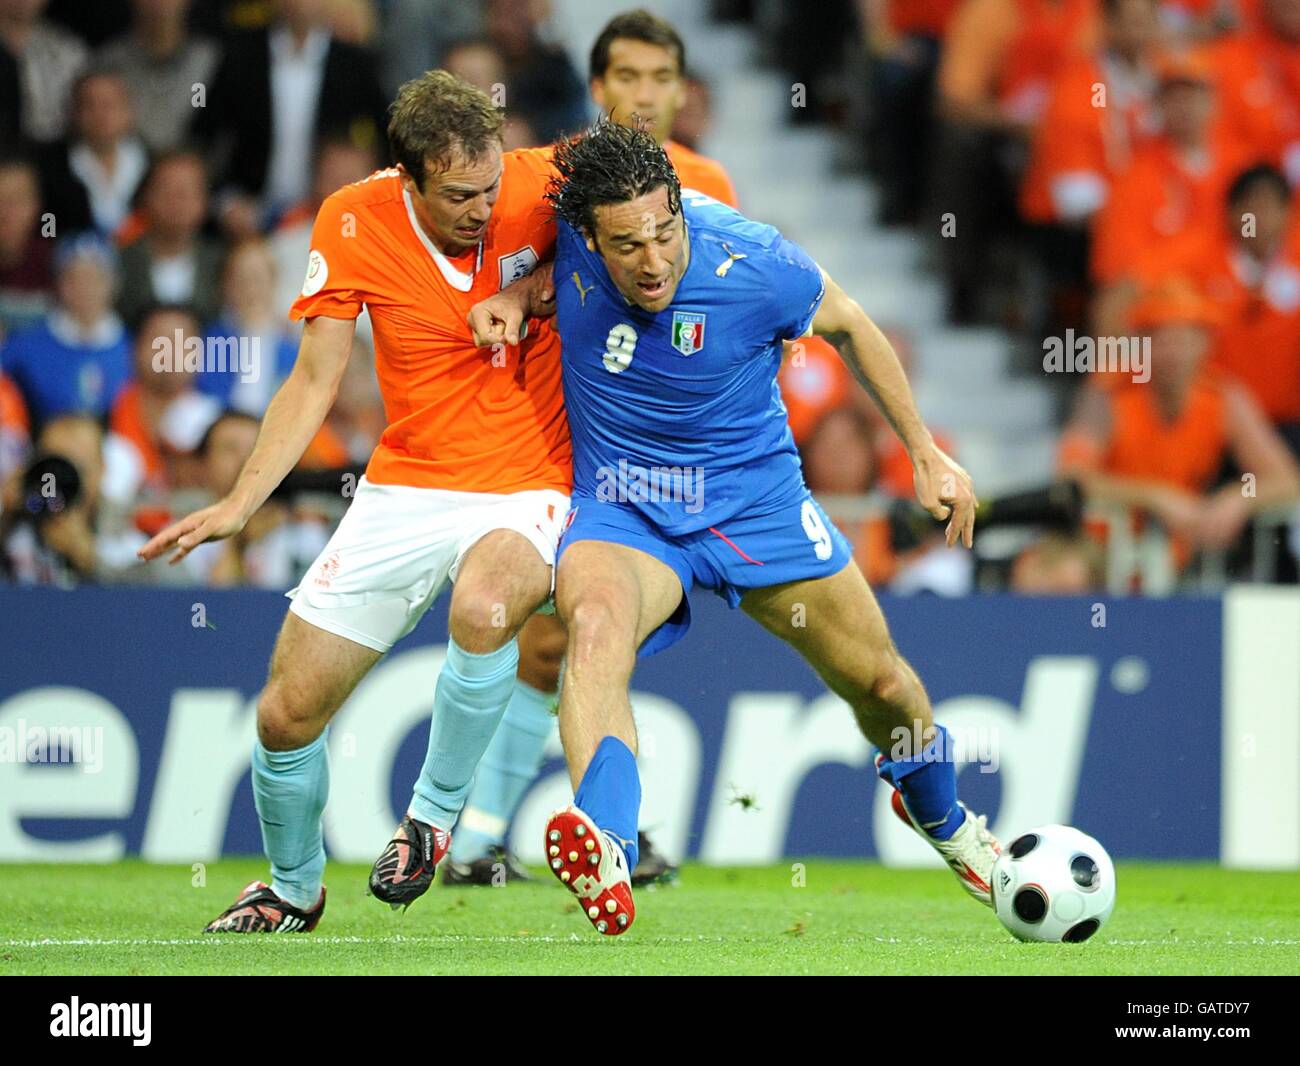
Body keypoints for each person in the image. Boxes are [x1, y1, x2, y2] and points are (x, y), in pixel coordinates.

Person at [467, 121, 999, 936]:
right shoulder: (568, 256)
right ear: (589, 239)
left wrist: (924, 453)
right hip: (626, 510)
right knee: (597, 628)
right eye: (627, 245)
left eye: (664, 232)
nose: (651, 260)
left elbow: (853, 324)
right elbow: (540, 280)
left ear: (682, 209)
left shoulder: (754, 262)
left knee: (883, 683)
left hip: (756, 504)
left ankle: (949, 821)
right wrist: (511, 295)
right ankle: (608, 842)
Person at [138, 71, 571, 932]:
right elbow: (312, 379)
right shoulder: (352, 218)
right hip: (405, 482)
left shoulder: (545, 176)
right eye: (458, 195)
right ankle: (292, 886)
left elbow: (647, 211)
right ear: (405, 179)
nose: (484, 208)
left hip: (532, 477)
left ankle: (431, 821)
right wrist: (238, 500)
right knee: (284, 712)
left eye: (490, 188)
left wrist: (530, 289)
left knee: (485, 610)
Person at [443, 7, 742, 889]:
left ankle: (510, 834)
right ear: (598, 85)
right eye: (627, 78)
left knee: (585, 637)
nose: (643, 95)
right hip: (574, 438)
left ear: (682, 90)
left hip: (676, 446)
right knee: (560, 638)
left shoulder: (709, 180)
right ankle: (533, 833)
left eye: (660, 79)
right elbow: (530, 277)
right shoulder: (557, 177)